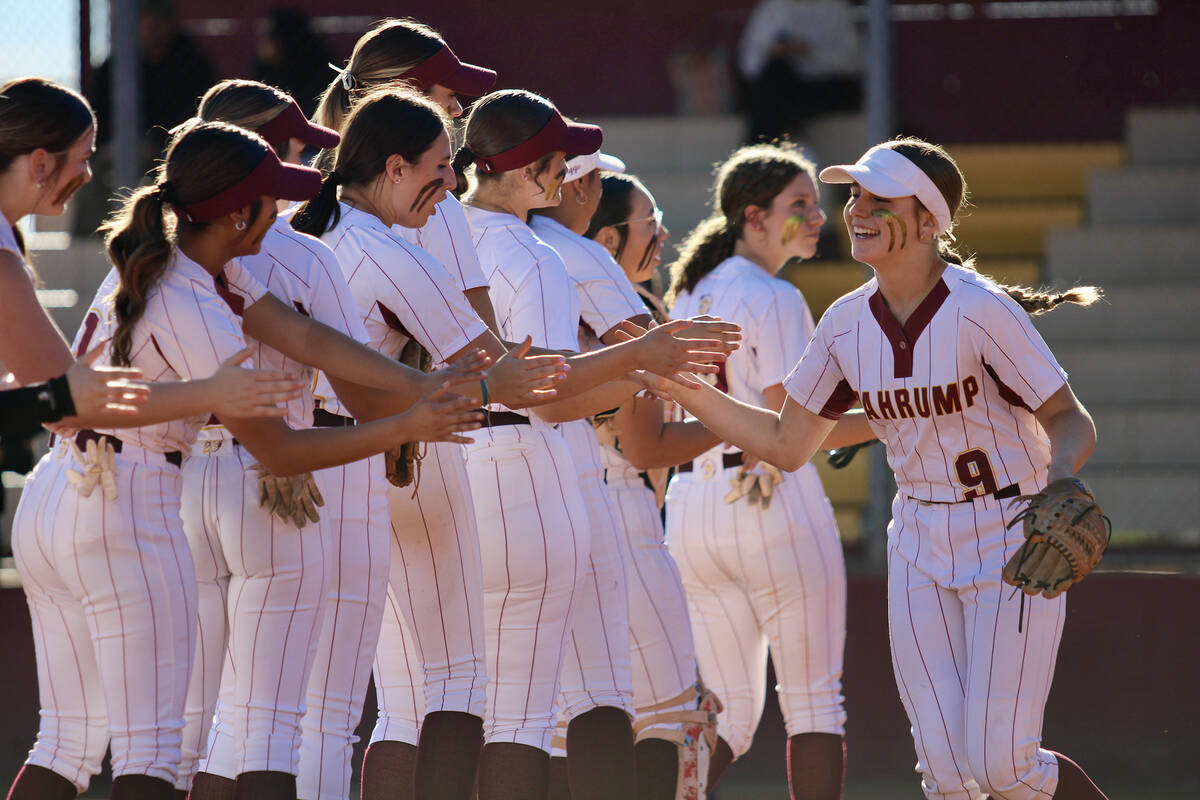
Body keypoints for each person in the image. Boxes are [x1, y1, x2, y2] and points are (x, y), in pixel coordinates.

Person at [5, 117, 480, 800]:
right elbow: (280, 449)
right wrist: (409, 423)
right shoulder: (190, 291)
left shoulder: (182, 264)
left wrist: (420, 392)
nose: (282, 212)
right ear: (236, 212)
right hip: (125, 499)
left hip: (61, 491)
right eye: (269, 199)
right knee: (158, 752)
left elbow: (305, 337)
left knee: (69, 742)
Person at [647, 137, 1110, 800]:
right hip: (918, 536)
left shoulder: (980, 308)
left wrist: (1063, 475)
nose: (855, 208)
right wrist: (692, 393)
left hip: (1012, 529)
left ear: (928, 221)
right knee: (947, 774)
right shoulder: (844, 323)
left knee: (1002, 766)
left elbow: (1069, 416)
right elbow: (787, 444)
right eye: (855, 195)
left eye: (878, 198)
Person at [453, 88, 737, 800]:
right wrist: (644, 361)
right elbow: (550, 395)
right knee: (597, 699)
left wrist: (641, 361)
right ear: (531, 169)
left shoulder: (441, 232)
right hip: (546, 472)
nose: (571, 175)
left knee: (480, 708)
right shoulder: (539, 251)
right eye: (558, 160)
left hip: (456, 470)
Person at [290, 85, 566, 800]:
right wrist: (616, 363)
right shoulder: (389, 251)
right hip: (378, 459)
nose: (450, 186)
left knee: (301, 712)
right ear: (393, 166)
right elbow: (497, 373)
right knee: (453, 679)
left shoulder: (308, 229)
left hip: (289, 458)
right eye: (440, 168)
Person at [655, 144, 855, 800]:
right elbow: (790, 426)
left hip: (692, 504)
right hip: (771, 500)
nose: (816, 217)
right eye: (798, 205)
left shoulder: (690, 286)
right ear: (753, 217)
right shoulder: (773, 293)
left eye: (815, 204)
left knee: (727, 716)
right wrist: (902, 418)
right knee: (815, 704)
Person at [583, 170, 727, 799]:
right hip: (622, 515)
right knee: (675, 716)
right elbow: (643, 446)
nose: (664, 233)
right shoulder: (626, 309)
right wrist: (737, 426)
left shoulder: (576, 290)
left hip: (576, 512)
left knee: (577, 718)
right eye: (651, 221)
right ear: (609, 238)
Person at [314, 17, 500, 330]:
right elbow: (486, 353)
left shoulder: (311, 185)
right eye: (450, 94)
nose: (457, 110)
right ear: (410, 100)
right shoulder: (437, 204)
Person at [737, 0, 861, 143]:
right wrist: (776, 51)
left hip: (824, 89)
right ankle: (785, 142)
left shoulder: (835, 7)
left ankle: (761, 147)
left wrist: (808, 51)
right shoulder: (773, 7)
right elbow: (748, 65)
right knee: (776, 74)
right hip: (780, 87)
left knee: (774, 99)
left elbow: (853, 63)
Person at [254, 7, 336, 117]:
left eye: (268, 35)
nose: (262, 42)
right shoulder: (263, 73)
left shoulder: (318, 76)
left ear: (284, 39)